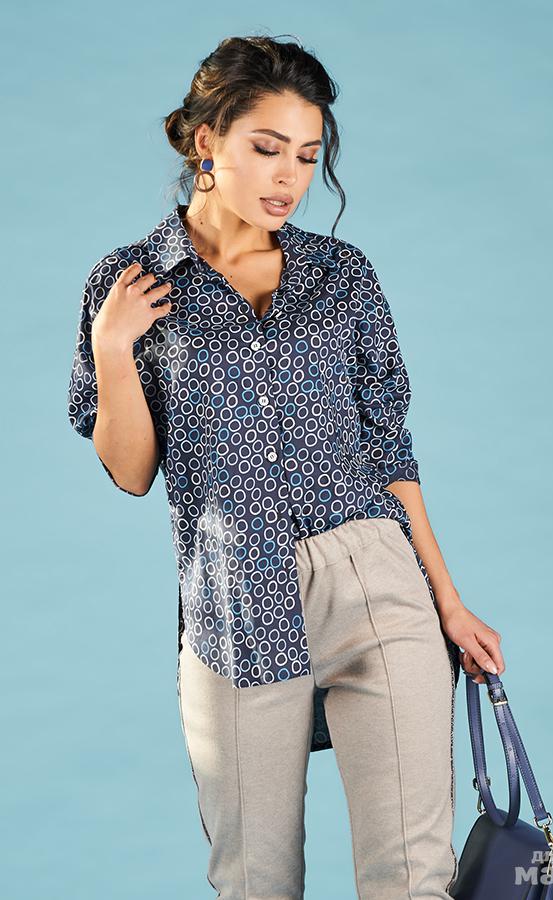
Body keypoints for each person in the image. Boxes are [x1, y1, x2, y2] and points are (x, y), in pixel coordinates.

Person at [67, 33, 505, 900]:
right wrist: (113, 349)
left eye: (307, 156)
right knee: (253, 880)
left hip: (374, 578)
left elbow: (390, 450)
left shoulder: (342, 276)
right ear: (207, 142)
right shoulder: (130, 283)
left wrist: (448, 602)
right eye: (267, 149)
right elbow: (130, 471)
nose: (289, 177)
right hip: (234, 601)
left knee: (412, 876)